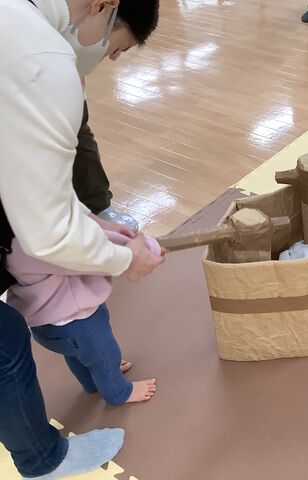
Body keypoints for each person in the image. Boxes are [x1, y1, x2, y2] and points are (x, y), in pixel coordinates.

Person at [0, 0, 162, 477]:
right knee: (12, 346)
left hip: (46, 312)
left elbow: (39, 191)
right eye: (116, 48)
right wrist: (123, 258)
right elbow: (49, 234)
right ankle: (43, 458)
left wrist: (100, 225)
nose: (108, 57)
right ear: (104, 6)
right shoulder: (45, 61)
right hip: (74, 318)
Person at [34, 0, 160, 232]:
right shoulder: (24, 31)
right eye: (119, 48)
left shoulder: (54, 32)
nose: (113, 57)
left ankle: (97, 206)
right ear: (100, 7)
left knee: (79, 139)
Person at [6, 228, 162, 406]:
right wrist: (148, 246)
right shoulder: (41, 239)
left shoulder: (10, 243)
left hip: (45, 323)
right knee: (106, 356)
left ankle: (92, 383)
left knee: (75, 354)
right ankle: (119, 392)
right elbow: (90, 250)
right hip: (78, 320)